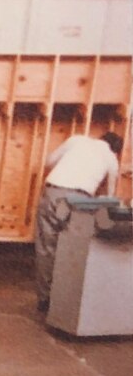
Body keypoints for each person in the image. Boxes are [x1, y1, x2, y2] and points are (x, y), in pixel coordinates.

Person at [34, 131, 124, 313]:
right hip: (79, 202)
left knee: (46, 248)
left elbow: (48, 162)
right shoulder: (111, 158)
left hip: (53, 192)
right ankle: (65, 302)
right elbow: (111, 195)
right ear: (116, 150)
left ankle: (45, 300)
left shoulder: (76, 140)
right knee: (72, 249)